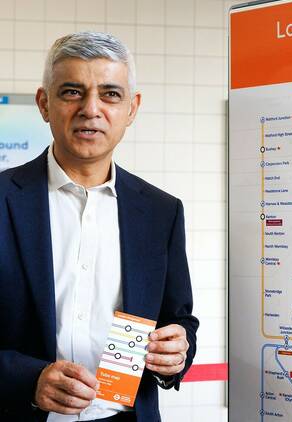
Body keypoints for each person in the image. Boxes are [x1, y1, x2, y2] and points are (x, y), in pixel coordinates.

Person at [0, 32, 199, 421]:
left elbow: (179, 318)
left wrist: (179, 350)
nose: (91, 109)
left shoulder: (161, 212)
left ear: (132, 108)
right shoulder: (3, 199)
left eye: (110, 94)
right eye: (72, 92)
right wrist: (29, 379)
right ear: (44, 103)